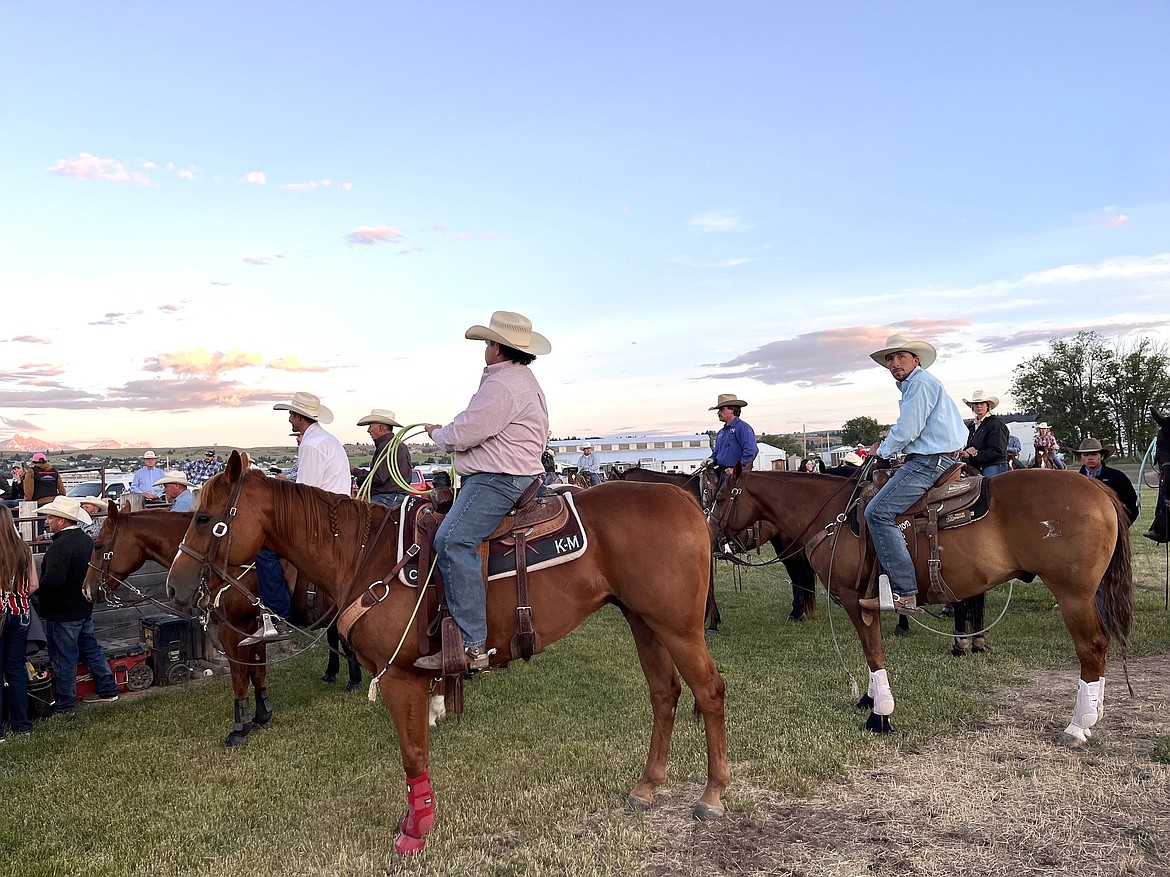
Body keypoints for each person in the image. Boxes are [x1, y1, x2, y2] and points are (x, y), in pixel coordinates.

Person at [414, 310, 550, 672]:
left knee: (452, 541)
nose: (485, 349)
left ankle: (473, 645)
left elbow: (468, 430)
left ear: (497, 347)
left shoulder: (502, 385)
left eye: (488, 343)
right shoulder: (521, 380)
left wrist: (438, 435)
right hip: (510, 473)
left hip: (499, 478)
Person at [859, 334, 968, 615]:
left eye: (901, 357)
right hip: (938, 456)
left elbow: (908, 429)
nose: (895, 363)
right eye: (890, 359)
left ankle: (905, 592)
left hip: (928, 462)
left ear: (916, 360)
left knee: (877, 512)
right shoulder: (918, 385)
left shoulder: (919, 384)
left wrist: (881, 451)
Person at [240, 392, 350, 646]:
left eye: (291, 414)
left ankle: (279, 616)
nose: (289, 418)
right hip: (336, 511)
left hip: (321, 517)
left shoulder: (312, 444)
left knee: (264, 550)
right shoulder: (327, 440)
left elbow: (305, 494)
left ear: (299, 417)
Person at [35, 496, 119, 712]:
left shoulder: (60, 546)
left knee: (64, 658)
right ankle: (108, 688)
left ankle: (65, 702)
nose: (47, 521)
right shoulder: (85, 540)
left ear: (62, 521)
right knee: (90, 648)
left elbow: (53, 580)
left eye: (51, 517)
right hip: (82, 607)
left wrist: (36, 593)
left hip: (61, 611)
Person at [952, 390, 1011, 655]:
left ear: (988, 405)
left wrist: (974, 455)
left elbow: (997, 451)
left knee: (987, 491)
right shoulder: (971, 426)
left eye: (981, 403)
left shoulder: (995, 425)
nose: (977, 407)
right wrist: (967, 452)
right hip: (977, 463)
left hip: (994, 468)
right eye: (975, 404)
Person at [1, 505, 39, 740]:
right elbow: (34, 584)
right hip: (20, 614)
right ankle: (22, 725)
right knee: (15, 669)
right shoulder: (23, 549)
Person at [352, 409, 413, 509]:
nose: (368, 430)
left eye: (371, 426)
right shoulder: (393, 445)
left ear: (380, 428)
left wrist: (354, 471)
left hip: (387, 498)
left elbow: (378, 478)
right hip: (392, 496)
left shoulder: (388, 447)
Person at [1072, 438, 1138, 525]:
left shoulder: (1118, 477)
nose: (1090, 458)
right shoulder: (1075, 482)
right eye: (1086, 455)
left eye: (1094, 454)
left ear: (1101, 456)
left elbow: (1132, 506)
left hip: (1112, 527)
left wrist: (1120, 527)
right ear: (1081, 458)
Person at [707, 394, 758, 475]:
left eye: (721, 409)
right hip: (722, 471)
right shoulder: (721, 432)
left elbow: (751, 450)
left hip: (737, 474)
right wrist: (711, 459)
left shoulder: (743, 428)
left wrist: (737, 468)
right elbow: (717, 454)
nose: (718, 412)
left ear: (732, 409)